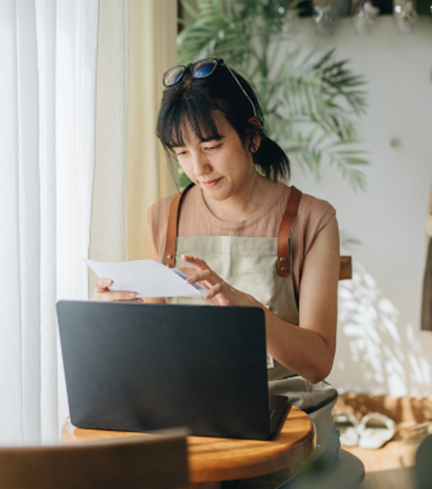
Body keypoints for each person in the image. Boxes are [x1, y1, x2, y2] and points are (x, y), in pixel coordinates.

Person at [93, 58, 346, 488]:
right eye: (182, 153)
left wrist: (251, 314)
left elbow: (318, 363)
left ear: (251, 134)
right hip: (191, 413)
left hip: (286, 416)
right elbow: (155, 354)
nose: (198, 168)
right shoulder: (164, 218)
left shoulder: (312, 219)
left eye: (210, 147)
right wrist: (116, 318)